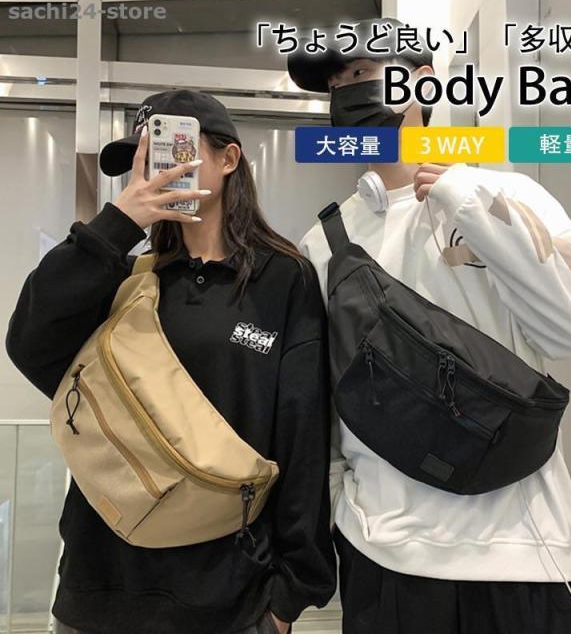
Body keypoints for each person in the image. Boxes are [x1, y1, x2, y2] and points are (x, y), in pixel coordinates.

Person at [288, 17, 571, 634]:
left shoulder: (503, 193)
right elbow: (328, 403)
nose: (347, 90)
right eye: (335, 82)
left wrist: (467, 199)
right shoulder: (324, 242)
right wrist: (338, 517)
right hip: (384, 558)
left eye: (362, 70)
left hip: (522, 555)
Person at [5, 90, 336, 634]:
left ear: (229, 159)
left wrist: (289, 595)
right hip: (99, 589)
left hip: (229, 598)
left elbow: (303, 434)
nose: (157, 170)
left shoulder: (282, 280)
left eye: (171, 150)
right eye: (143, 159)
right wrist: (118, 223)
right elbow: (29, 343)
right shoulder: (123, 276)